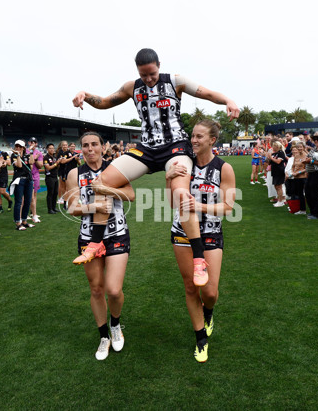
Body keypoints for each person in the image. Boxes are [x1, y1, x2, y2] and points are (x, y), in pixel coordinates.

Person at [72, 48, 239, 286]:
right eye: (144, 74)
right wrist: (84, 94)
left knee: (181, 195)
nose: (148, 79)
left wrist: (228, 100)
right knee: (101, 183)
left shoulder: (175, 81)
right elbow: (106, 102)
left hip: (176, 147)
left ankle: (199, 259)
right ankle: (96, 244)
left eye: (152, 73)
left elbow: (207, 93)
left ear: (159, 65)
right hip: (147, 149)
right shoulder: (132, 86)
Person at [166, 120, 236, 363]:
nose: (193, 140)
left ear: (212, 140)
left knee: (210, 292)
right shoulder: (184, 164)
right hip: (182, 234)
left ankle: (209, 312)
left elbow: (228, 207)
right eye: (192, 136)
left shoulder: (223, 168)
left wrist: (200, 206)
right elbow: (172, 204)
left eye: (199, 137)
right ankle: (200, 339)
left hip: (211, 234)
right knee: (189, 287)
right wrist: (169, 179)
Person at [66, 131, 134, 361]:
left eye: (95, 144)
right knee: (96, 289)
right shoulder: (75, 173)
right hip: (88, 236)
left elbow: (130, 195)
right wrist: (93, 207)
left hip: (116, 234)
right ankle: (103, 335)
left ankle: (116, 324)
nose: (90, 149)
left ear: (103, 147)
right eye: (85, 145)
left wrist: (106, 191)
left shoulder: (115, 169)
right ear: (81, 149)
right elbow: (71, 207)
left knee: (113, 290)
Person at [9, 140, 34, 230]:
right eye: (17, 146)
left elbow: (31, 162)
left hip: (28, 180)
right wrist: (18, 155)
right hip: (19, 180)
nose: (18, 148)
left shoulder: (27, 155)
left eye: (20, 146)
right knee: (19, 202)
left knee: (28, 201)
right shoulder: (13, 156)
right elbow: (19, 165)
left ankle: (24, 221)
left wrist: (31, 152)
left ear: (23, 147)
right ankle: (18, 222)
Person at [0, 143, 12, 213]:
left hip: (3, 175)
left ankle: (10, 201)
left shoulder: (4, 153)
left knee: (2, 191)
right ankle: (0, 208)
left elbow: (9, 163)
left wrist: (1, 160)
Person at [28, 137, 44, 223]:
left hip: (36, 175)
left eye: (35, 142)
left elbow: (40, 166)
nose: (33, 143)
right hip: (28, 175)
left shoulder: (39, 153)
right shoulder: (26, 151)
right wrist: (33, 158)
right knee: (27, 196)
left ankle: (32, 212)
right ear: (29, 143)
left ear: (37, 143)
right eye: (31, 142)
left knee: (34, 195)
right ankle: (27, 212)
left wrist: (36, 159)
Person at [268, 141, 286, 207]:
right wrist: (267, 156)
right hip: (275, 172)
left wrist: (271, 158)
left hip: (279, 172)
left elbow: (278, 161)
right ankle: (279, 199)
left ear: (277, 146)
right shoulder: (274, 154)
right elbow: (269, 162)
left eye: (273, 146)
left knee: (279, 186)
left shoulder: (281, 153)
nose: (272, 147)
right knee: (276, 186)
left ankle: (281, 201)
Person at [43, 143, 59, 214]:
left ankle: (54, 207)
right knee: (50, 193)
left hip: (55, 177)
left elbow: (57, 167)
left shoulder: (54, 157)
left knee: (55, 193)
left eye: (53, 148)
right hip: (49, 178)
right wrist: (57, 163)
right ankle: (50, 209)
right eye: (50, 148)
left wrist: (59, 163)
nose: (52, 149)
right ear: (47, 149)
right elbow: (48, 168)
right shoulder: (46, 157)